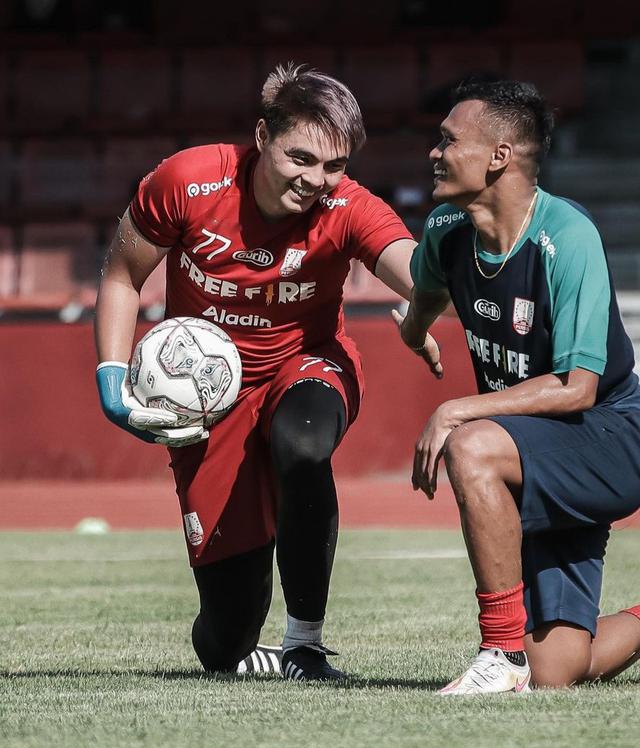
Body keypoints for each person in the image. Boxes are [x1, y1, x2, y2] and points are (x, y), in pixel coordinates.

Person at [95, 64, 436, 681]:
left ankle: (304, 644)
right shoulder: (187, 181)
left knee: (303, 447)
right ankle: (245, 633)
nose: (316, 180)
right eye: (300, 158)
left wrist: (433, 305)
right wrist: (111, 379)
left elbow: (417, 271)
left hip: (304, 366)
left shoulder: (349, 206)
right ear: (262, 136)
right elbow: (122, 275)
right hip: (207, 405)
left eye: (334, 165)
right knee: (223, 640)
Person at [396, 79, 640, 693]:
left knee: (472, 445)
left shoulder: (568, 237)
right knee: (558, 671)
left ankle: (499, 655)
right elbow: (424, 296)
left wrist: (454, 409)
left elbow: (579, 387)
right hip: (538, 443)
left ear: (499, 156)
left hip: (609, 434)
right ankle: (527, 660)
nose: (434, 152)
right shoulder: (446, 229)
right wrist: (414, 332)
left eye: (449, 141)